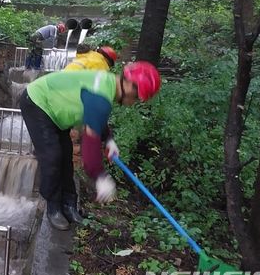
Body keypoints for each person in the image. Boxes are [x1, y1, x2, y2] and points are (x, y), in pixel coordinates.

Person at [19, 61, 161, 230]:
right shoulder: (101, 96)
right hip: (37, 102)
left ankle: (69, 205)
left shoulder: (108, 84)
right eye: (137, 97)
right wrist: (100, 177)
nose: (135, 102)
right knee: (52, 157)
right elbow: (90, 144)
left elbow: (97, 118)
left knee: (66, 157)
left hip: (55, 110)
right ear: (130, 85)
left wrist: (108, 140)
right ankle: (53, 207)